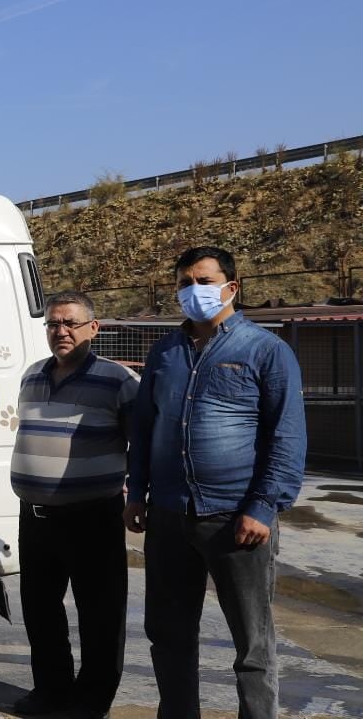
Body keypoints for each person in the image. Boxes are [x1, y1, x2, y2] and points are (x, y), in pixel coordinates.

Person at [125, 246, 306, 719]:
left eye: (203, 281)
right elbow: (144, 427)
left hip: (236, 517)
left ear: (231, 287)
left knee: (251, 641)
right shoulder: (165, 352)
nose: (193, 291)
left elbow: (286, 435)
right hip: (169, 513)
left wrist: (264, 506)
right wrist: (137, 491)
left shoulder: (266, 350)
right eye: (185, 283)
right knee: (168, 633)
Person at [10, 291, 139, 719]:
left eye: (70, 323)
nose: (60, 331)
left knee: (100, 615)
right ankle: (51, 690)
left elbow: (143, 445)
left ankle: (91, 701)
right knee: (41, 612)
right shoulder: (32, 376)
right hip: (36, 519)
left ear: (93, 329)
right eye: (52, 324)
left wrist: (139, 497)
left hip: (92, 519)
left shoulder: (117, 382)